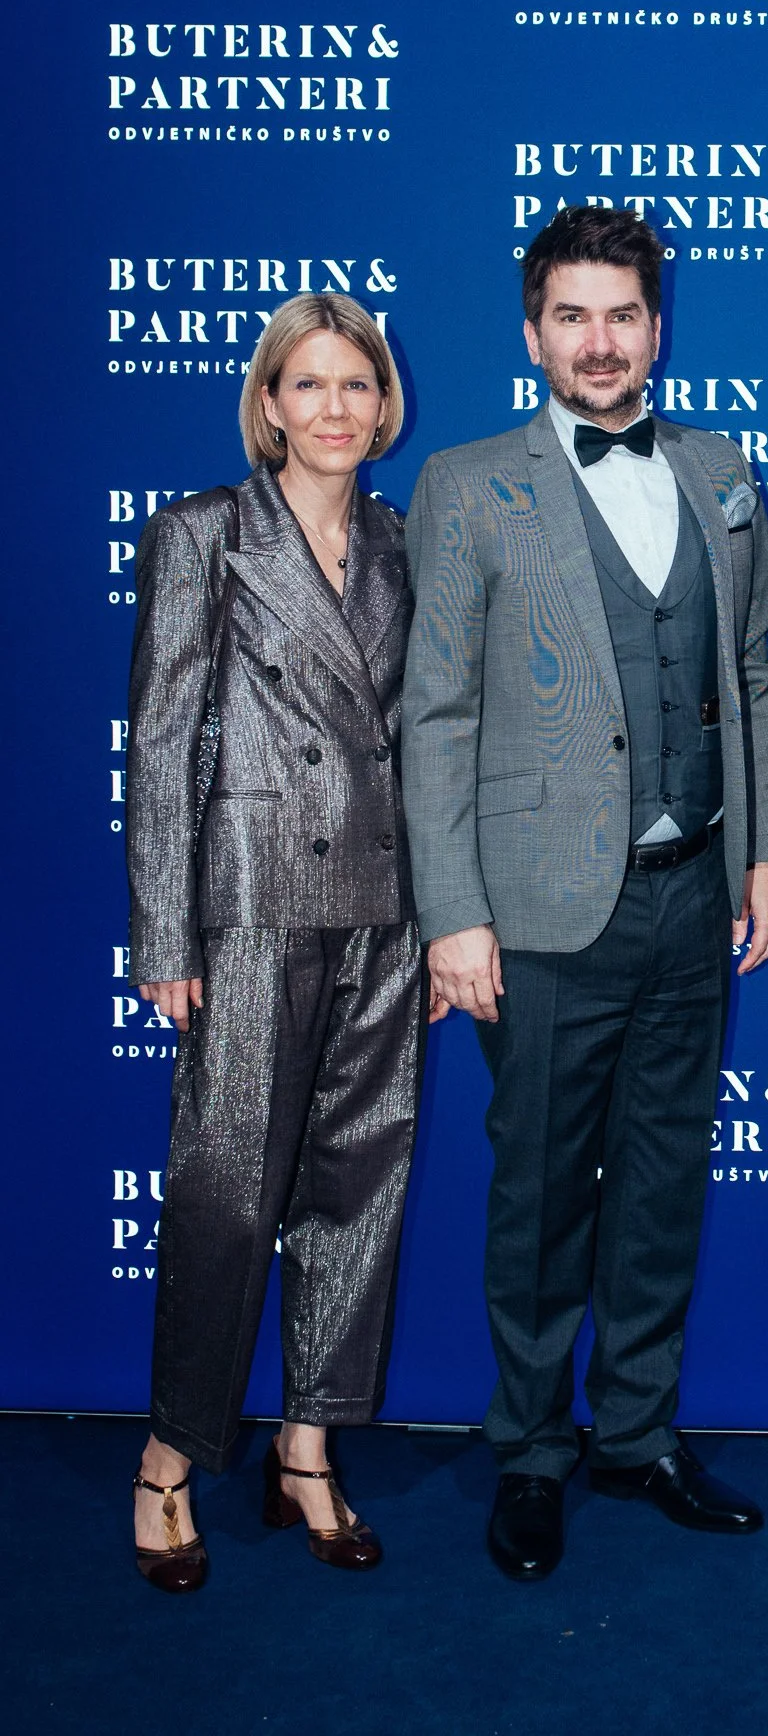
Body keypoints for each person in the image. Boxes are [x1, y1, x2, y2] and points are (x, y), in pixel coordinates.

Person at [402, 206, 768, 1583]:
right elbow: (434, 711)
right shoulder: (464, 484)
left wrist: (765, 853)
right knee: (544, 1190)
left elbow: (748, 676)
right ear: (533, 333)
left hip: (695, 898)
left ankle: (636, 1434)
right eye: (573, 315)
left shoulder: (721, 471)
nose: (601, 339)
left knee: (665, 1183)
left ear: (656, 328)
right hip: (541, 910)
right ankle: (530, 1451)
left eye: (622, 314)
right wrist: (453, 911)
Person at [126, 293, 429, 1593]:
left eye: (355, 385)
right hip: (249, 905)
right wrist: (162, 929)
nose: (335, 409)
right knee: (224, 1196)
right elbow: (158, 740)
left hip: (389, 909)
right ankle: (169, 1460)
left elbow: (425, 735)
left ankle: (308, 1447)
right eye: (308, 386)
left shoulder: (408, 544)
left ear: (384, 402)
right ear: (268, 405)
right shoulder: (203, 534)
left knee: (358, 1194)